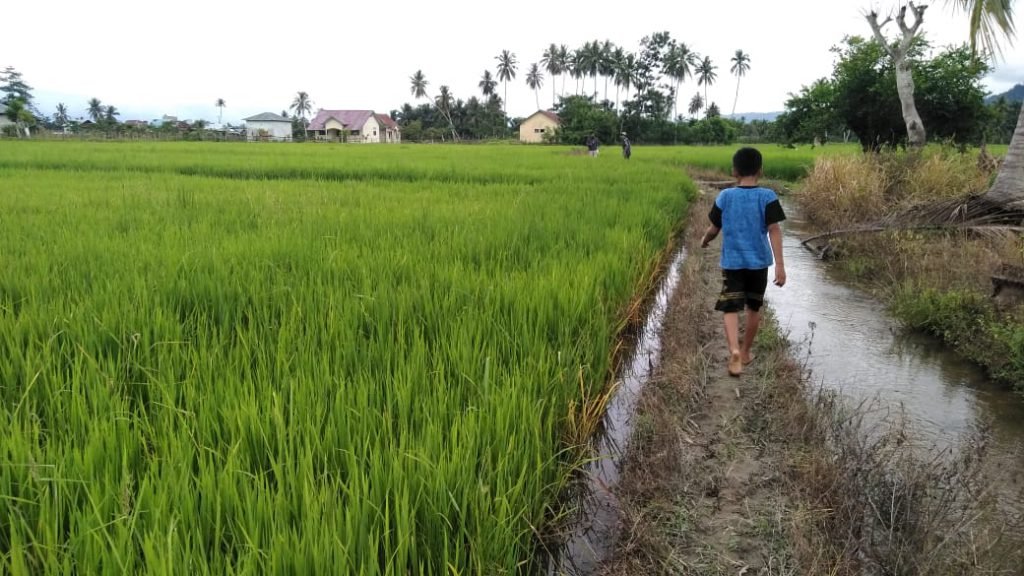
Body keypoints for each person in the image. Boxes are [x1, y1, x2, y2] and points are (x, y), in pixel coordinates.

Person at [700, 147, 787, 377]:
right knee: (753, 307)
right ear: (760, 170)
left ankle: (734, 351)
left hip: (733, 262)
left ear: (734, 171)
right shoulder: (768, 196)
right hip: (759, 263)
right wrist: (780, 265)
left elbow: (714, 228)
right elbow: (774, 230)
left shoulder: (725, 196)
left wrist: (705, 240)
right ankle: (746, 352)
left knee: (730, 306)